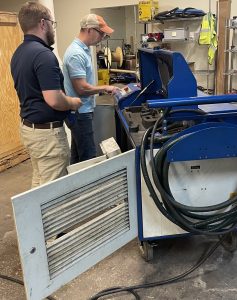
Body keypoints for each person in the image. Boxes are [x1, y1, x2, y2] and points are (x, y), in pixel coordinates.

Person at [11, 1, 82, 188]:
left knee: (39, 185)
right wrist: (72, 102)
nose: (53, 28)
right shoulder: (43, 55)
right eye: (52, 23)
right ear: (43, 23)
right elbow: (54, 100)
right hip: (47, 137)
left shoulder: (19, 53)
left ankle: (33, 218)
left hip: (30, 130)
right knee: (53, 193)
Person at [63, 14, 119, 164]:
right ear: (89, 30)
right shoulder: (76, 54)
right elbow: (81, 88)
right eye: (101, 33)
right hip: (80, 113)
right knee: (88, 158)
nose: (102, 37)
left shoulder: (84, 50)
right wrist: (105, 87)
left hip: (82, 111)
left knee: (77, 157)